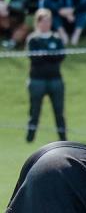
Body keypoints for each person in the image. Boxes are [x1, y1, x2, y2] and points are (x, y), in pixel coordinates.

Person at [23, 8, 66, 143]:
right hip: (37, 80)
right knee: (34, 111)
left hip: (55, 80)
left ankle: (63, 138)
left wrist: (45, 55)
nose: (46, 24)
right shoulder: (33, 39)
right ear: (38, 22)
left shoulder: (56, 38)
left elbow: (60, 56)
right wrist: (49, 56)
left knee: (59, 111)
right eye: (44, 21)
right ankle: (30, 138)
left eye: (48, 21)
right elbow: (35, 59)